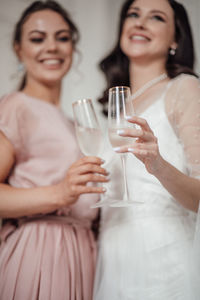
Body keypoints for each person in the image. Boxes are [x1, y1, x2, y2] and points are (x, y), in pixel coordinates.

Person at [0, 1, 108, 299]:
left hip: (83, 252)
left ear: (72, 47)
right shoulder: (15, 107)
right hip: (40, 250)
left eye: (62, 37)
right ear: (18, 49)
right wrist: (60, 193)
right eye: (37, 38)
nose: (52, 47)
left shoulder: (73, 121)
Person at [93, 0, 200, 299]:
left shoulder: (184, 88)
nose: (140, 22)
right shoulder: (116, 106)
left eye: (156, 17)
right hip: (112, 255)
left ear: (176, 39)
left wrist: (158, 166)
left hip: (161, 257)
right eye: (133, 14)